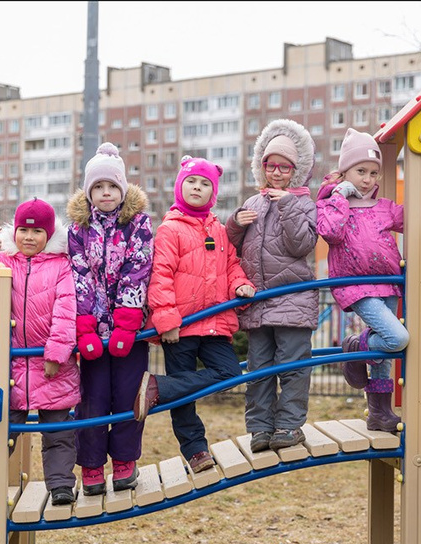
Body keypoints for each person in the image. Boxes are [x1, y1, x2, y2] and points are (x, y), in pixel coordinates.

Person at [316, 129, 421, 438]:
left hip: (388, 284)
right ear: (344, 172)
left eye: (372, 172)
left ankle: (379, 413)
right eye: (360, 171)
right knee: (396, 338)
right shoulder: (331, 204)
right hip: (356, 285)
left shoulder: (383, 208)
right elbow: (330, 233)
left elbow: (414, 216)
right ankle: (357, 346)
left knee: (384, 359)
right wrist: (339, 196)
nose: (367, 179)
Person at [0, 202, 80, 503]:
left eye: (37, 231)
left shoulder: (61, 265)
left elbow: (66, 312)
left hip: (50, 363)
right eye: (23, 229)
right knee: (0, 427)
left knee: (58, 432)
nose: (28, 236)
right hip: (11, 367)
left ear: (48, 235)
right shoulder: (4, 264)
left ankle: (61, 485)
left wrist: (55, 355)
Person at [138, 156, 255, 474]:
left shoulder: (218, 230)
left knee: (229, 373)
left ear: (212, 194)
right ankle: (196, 451)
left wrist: (241, 285)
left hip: (214, 323)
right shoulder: (170, 230)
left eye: (205, 184)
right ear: (180, 187)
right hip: (182, 326)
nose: (197, 187)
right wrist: (166, 319)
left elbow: (231, 266)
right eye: (191, 181)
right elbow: (159, 276)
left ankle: (158, 388)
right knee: (184, 399)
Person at [65, 144, 157, 497]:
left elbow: (139, 267)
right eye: (99, 187)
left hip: (129, 331)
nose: (106, 193)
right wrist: (85, 323)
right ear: (90, 192)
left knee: (128, 395)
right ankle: (90, 465)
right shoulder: (78, 229)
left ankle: (124, 461)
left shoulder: (138, 224)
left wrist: (129, 318)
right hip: (92, 331)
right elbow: (78, 274)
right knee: (92, 397)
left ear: (122, 190)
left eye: (112, 187)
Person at [228, 119, 323, 453]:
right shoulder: (254, 203)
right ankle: (259, 428)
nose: (278, 173)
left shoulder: (303, 203)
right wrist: (234, 224)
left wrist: (286, 205)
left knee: (293, 367)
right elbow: (234, 248)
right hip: (259, 303)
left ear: (295, 170)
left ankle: (289, 425)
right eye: (272, 166)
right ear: (262, 167)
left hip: (292, 300)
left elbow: (302, 245)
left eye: (285, 167)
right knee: (259, 370)